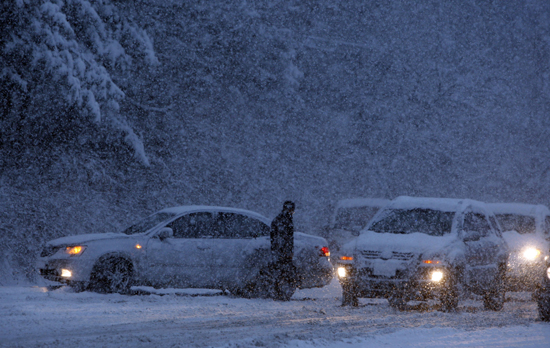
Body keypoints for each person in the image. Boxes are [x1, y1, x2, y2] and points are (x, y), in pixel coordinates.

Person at [269, 200, 297, 300]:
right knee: (285, 272)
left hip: (279, 251)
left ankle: (279, 292)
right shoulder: (285, 220)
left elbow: (275, 236)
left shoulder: (279, 219)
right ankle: (281, 293)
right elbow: (286, 237)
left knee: (280, 272)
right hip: (283, 251)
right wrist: (287, 251)